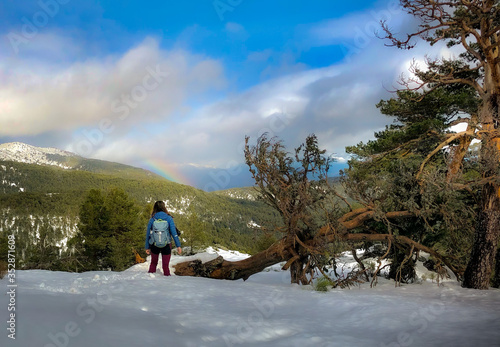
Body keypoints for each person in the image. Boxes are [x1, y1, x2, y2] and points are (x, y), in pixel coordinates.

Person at [145, 200, 182, 275]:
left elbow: (148, 234)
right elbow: (174, 233)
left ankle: (149, 280)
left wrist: (147, 247)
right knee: (165, 266)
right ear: (164, 208)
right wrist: (178, 246)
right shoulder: (169, 218)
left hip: (154, 244)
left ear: (155, 208)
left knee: (153, 264)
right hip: (166, 245)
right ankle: (167, 281)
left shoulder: (152, 219)